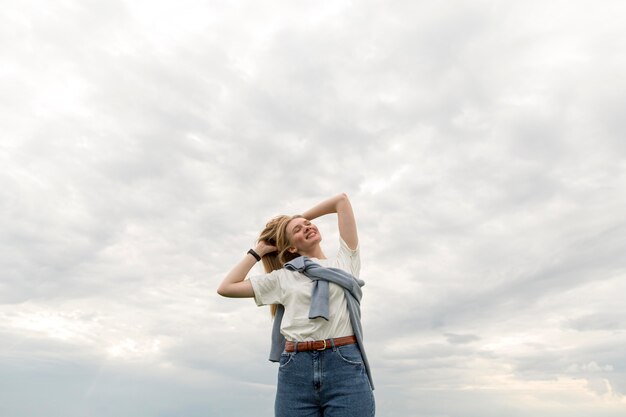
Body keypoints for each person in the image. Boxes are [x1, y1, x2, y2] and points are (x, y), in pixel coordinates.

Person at [217, 193, 375, 417]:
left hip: (344, 364)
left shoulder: (344, 262)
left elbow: (341, 201)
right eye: (298, 230)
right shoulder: (283, 278)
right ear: (290, 247)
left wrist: (298, 218)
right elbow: (226, 287)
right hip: (296, 369)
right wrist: (258, 252)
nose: (307, 227)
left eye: (308, 225)